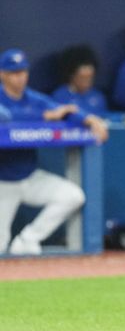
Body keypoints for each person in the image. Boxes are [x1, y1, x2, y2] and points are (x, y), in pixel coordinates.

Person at [0, 48, 108, 255]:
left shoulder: (33, 99)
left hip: (30, 176)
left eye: (23, 72)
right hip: (3, 181)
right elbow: (6, 119)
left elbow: (66, 111)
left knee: (72, 196)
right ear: (2, 74)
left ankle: (27, 240)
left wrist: (91, 120)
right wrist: (41, 118)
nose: (20, 77)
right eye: (14, 73)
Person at [51, 45, 108, 116]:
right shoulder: (60, 96)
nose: (87, 82)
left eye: (90, 77)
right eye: (83, 77)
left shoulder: (98, 97)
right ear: (71, 75)